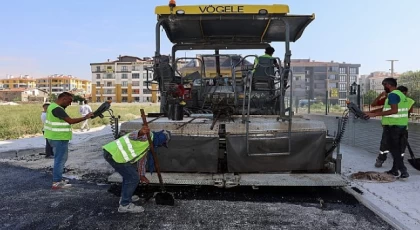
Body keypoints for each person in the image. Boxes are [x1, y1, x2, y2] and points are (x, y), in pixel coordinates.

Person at [102, 126, 171, 213]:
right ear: (161, 140)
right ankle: (125, 205)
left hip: (114, 154)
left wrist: (142, 175)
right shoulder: (148, 135)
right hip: (114, 154)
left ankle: (125, 197)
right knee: (133, 178)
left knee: (128, 176)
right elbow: (134, 135)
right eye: (161, 144)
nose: (159, 145)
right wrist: (140, 132)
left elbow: (142, 161)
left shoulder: (148, 145)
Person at [44, 92, 94, 189]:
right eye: (69, 101)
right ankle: (57, 182)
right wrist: (85, 117)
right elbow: (70, 121)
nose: (70, 104)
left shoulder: (52, 106)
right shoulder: (58, 109)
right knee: (60, 160)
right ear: (64, 99)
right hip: (59, 138)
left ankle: (58, 179)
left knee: (59, 159)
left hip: (53, 137)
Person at [366, 78, 410, 179]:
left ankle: (403, 170)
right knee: (397, 150)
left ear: (388, 85)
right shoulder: (400, 94)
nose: (384, 87)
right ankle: (395, 171)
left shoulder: (393, 95)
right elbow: (386, 108)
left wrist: (375, 114)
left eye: (384, 85)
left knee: (394, 150)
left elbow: (394, 110)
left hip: (394, 127)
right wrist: (370, 113)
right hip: (401, 126)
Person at [374, 85, 415, 168]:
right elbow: (409, 114)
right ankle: (398, 165)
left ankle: (381, 160)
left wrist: (371, 113)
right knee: (400, 147)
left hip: (389, 128)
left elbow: (382, 109)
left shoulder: (390, 99)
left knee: (385, 145)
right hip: (402, 128)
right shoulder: (409, 101)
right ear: (406, 93)